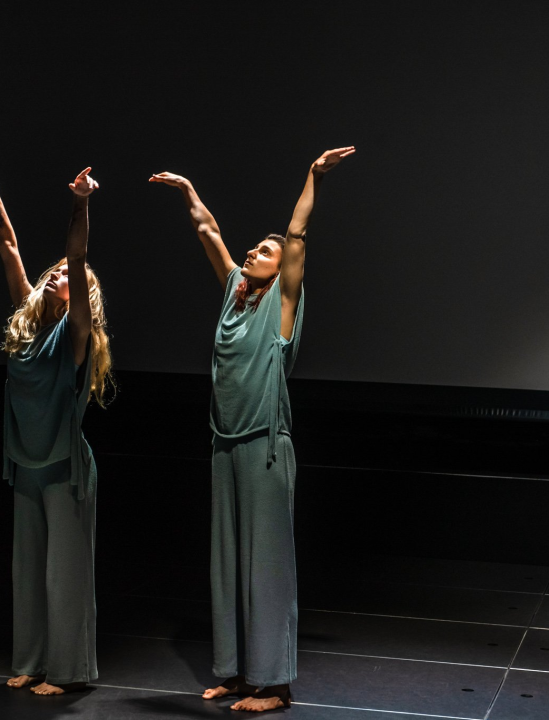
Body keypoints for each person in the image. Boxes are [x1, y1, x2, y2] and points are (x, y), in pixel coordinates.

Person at [150, 147, 355, 712]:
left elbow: (295, 234)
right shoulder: (232, 300)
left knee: (265, 566)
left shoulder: (282, 305)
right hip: (225, 444)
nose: (252, 253)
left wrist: (312, 175)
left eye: (263, 252)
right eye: (254, 250)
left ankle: (276, 685)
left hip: (266, 446)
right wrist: (188, 189)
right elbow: (208, 231)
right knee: (229, 562)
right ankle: (239, 673)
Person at [0, 166, 113, 695]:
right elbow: (7, 246)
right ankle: (33, 659)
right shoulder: (29, 324)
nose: (56, 275)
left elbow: (76, 255)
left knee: (63, 575)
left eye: (66, 276)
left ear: (80, 295)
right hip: (25, 461)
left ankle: (68, 672)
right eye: (52, 273)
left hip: (65, 465)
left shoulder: (75, 334)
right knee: (29, 570)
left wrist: (80, 205)